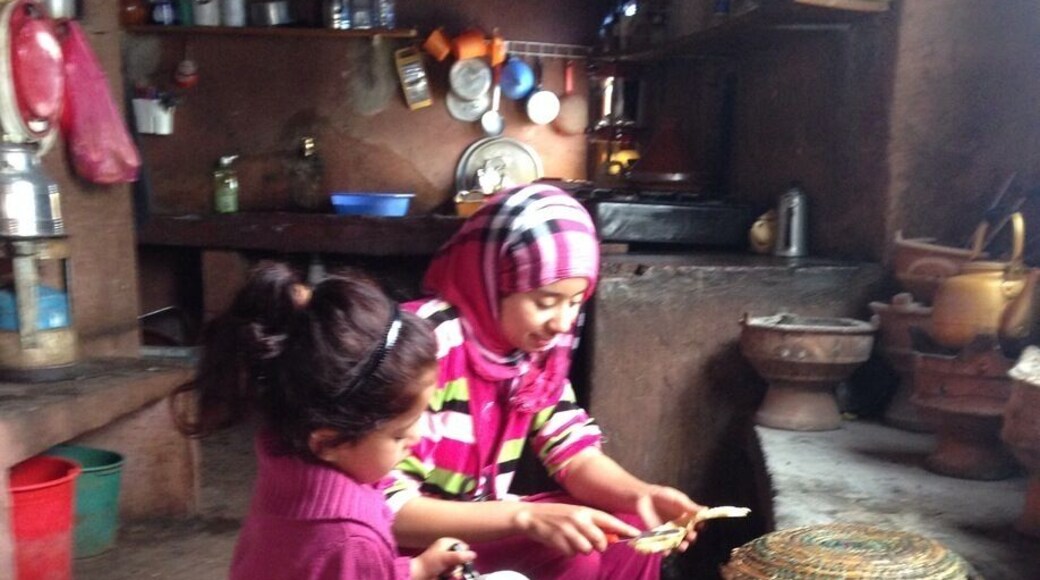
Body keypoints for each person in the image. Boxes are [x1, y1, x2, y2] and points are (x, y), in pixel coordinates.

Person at [386, 184, 704, 579]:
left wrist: (642, 494)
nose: (562, 323)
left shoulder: (531, 353)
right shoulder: (427, 343)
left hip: (482, 524)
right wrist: (523, 516)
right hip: (416, 546)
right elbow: (387, 509)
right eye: (545, 301)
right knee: (573, 556)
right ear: (494, 279)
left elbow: (573, 452)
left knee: (631, 531)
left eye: (574, 303)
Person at [172, 261, 477, 580]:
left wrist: (418, 569)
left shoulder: (287, 458)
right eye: (399, 435)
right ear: (327, 442)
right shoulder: (351, 539)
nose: (416, 438)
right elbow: (350, 564)